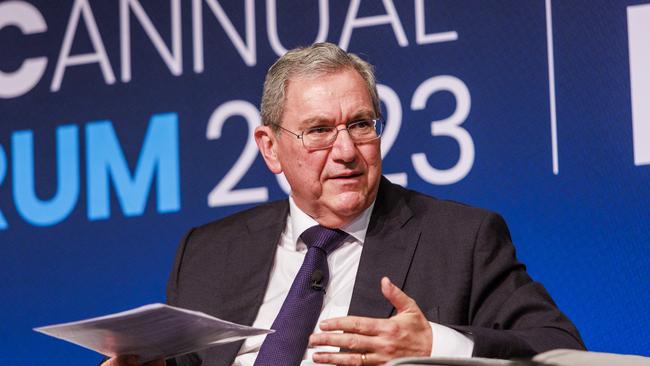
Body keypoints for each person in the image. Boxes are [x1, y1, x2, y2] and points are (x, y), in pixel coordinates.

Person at [103, 42, 584, 366]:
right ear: (270, 148)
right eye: (318, 131)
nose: (347, 150)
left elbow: (560, 350)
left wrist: (435, 343)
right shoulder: (208, 253)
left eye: (359, 123)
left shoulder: (460, 240)